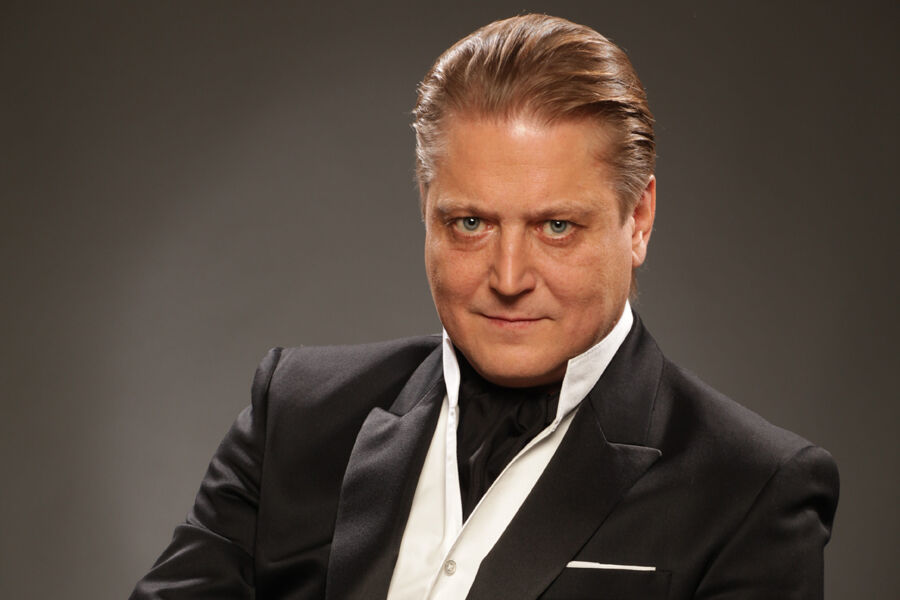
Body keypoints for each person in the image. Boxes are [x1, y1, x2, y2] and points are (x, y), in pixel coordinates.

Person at [130, 14, 839, 599]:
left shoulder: (753, 489)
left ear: (639, 219)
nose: (507, 276)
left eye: (556, 226)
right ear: (425, 205)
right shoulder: (294, 414)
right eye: (470, 223)